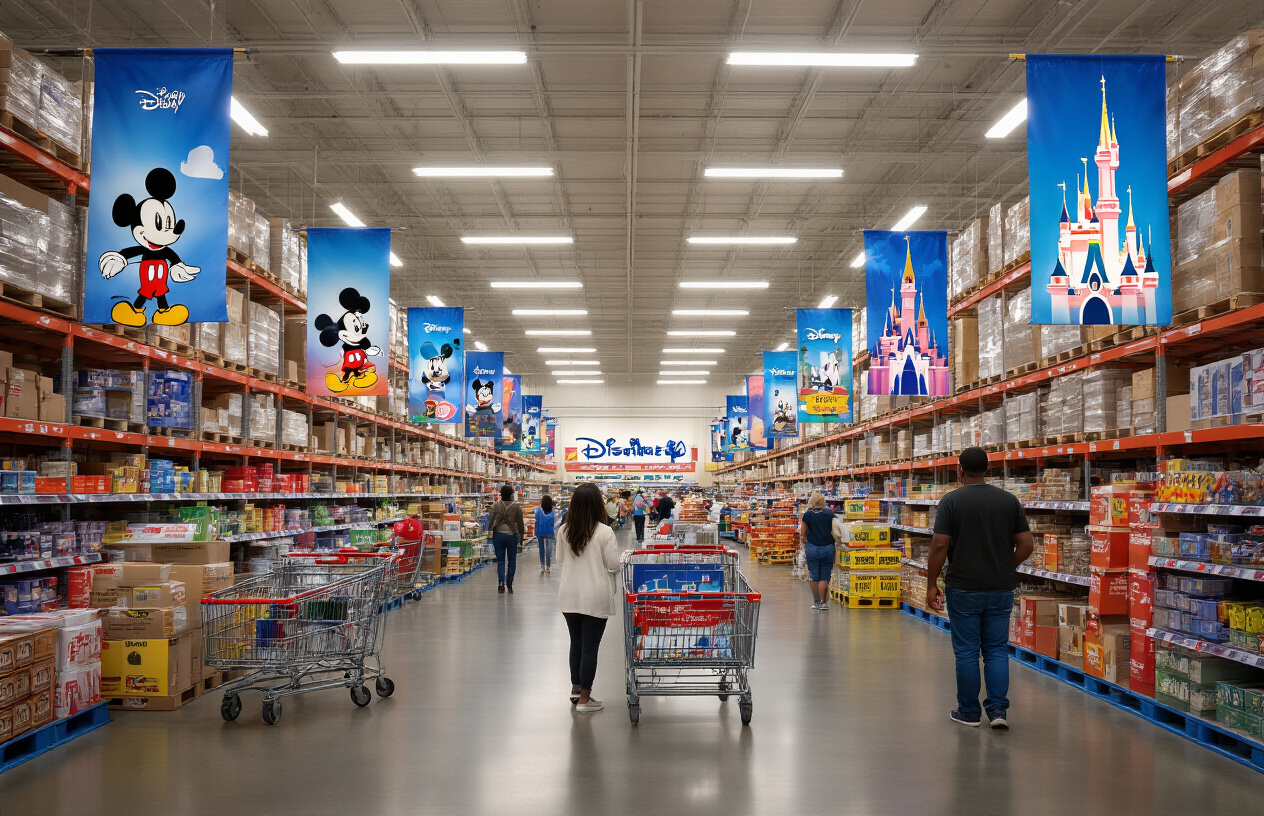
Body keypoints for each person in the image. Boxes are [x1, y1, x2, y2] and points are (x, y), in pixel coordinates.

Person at [926, 447, 1034, 730]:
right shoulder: (1008, 501)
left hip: (963, 587)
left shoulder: (950, 502)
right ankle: (998, 711)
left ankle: (969, 712)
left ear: (959, 469)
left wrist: (931, 583)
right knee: (997, 650)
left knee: (967, 652)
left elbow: (939, 545)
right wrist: (1005, 567)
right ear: (987, 469)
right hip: (1000, 588)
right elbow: (1026, 545)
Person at [556, 482, 619, 713]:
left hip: (569, 594)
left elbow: (561, 560)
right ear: (597, 505)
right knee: (590, 647)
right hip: (595, 594)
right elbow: (612, 564)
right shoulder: (605, 532)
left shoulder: (564, 530)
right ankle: (585, 698)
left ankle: (575, 690)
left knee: (577, 643)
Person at [799, 492, 838, 610]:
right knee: (824, 576)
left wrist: (804, 544)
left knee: (814, 576)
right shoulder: (829, 513)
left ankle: (816, 602)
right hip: (828, 547)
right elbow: (836, 528)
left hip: (812, 548)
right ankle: (824, 603)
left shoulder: (807, 515)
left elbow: (803, 534)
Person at [489, 484, 526, 594]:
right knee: (512, 560)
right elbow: (520, 523)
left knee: (500, 560)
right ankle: (509, 583)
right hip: (512, 535)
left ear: (500, 494)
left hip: (498, 535)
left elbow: (491, 521)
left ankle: (501, 583)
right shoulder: (516, 507)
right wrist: (521, 537)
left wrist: (489, 531)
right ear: (511, 494)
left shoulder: (495, 506)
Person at [534, 494, 557, 574]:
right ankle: (548, 566)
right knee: (549, 549)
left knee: (541, 549)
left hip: (540, 532)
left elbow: (536, 521)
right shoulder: (553, 512)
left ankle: (542, 566)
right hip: (550, 532)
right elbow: (555, 522)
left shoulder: (538, 510)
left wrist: (535, 532)